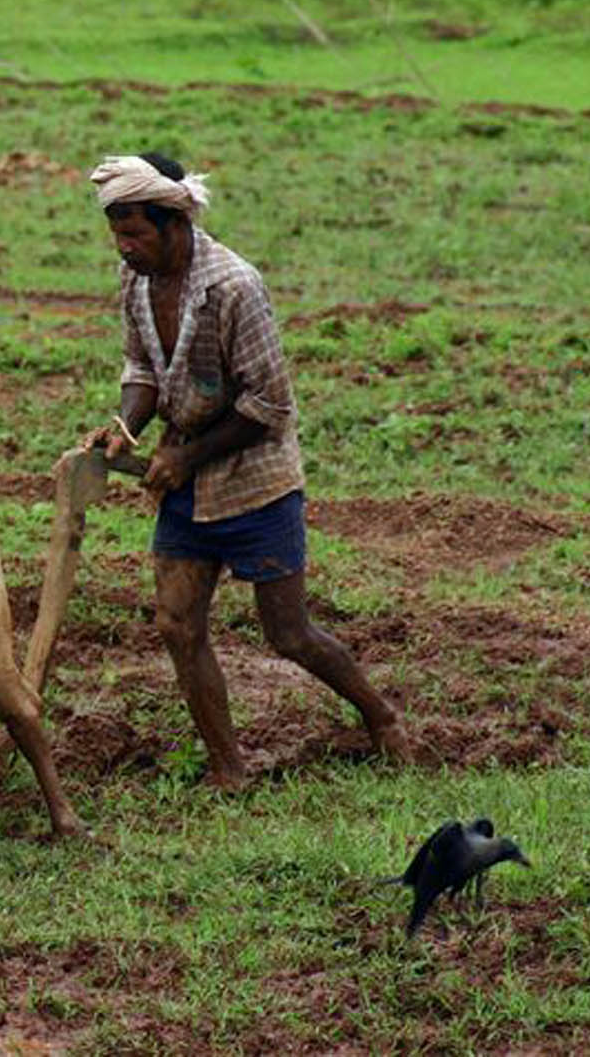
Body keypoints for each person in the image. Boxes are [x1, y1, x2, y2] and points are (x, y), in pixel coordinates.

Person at [81, 152, 411, 789]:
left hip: (255, 480)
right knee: (177, 625)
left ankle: (381, 716)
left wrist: (185, 456)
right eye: (117, 235)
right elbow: (143, 371)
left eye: (135, 234)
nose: (124, 248)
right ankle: (229, 767)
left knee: (289, 633)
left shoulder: (234, 286)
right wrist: (127, 428)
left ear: (174, 222)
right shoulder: (138, 282)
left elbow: (269, 404)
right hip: (187, 484)